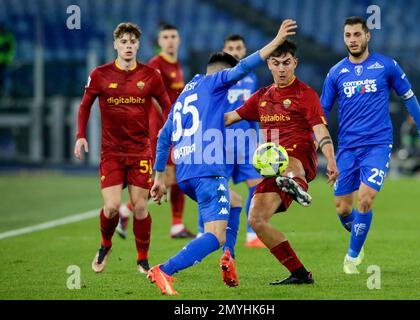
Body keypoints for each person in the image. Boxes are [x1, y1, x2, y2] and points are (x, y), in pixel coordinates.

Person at [149, 19, 299, 295]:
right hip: (208, 169)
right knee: (215, 235)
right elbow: (245, 66)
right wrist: (276, 42)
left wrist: (159, 178)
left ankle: (229, 257)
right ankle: (164, 270)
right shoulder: (216, 81)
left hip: (185, 173)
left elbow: (162, 136)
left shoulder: (185, 94)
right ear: (221, 74)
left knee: (236, 200)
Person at [320, 16, 420, 274]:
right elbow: (321, 112)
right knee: (343, 208)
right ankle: (358, 237)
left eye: (356, 34)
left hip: (377, 145)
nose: (352, 40)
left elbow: (409, 98)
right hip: (347, 149)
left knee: (366, 198)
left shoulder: (386, 66)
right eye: (348, 35)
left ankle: (352, 257)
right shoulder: (336, 72)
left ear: (367, 36)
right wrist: (316, 145)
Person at [225, 40, 338, 286]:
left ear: (295, 63)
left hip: (300, 155)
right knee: (255, 219)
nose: (282, 69)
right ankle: (299, 273)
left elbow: (320, 129)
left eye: (287, 63)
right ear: (269, 65)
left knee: (288, 160)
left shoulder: (305, 94)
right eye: (276, 63)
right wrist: (196, 119)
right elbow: (231, 117)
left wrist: (330, 158)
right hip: (271, 168)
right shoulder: (262, 97)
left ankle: (295, 183)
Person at [74, 22, 172, 274]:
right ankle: (106, 245)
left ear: (138, 45)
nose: (128, 47)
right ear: (115, 44)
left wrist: (170, 131)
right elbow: (85, 106)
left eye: (132, 42)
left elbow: (168, 105)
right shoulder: (100, 74)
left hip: (140, 151)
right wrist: (80, 135)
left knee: (140, 207)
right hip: (112, 152)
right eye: (124, 42)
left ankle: (142, 259)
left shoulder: (151, 76)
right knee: (112, 207)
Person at [116, 23, 195, 239]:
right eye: (165, 37)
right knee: (168, 177)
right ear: (159, 42)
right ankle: (126, 210)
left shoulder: (176, 64)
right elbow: (152, 96)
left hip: (176, 128)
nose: (170, 40)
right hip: (162, 130)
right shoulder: (156, 64)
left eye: (173, 36)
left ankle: (177, 224)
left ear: (178, 40)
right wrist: (171, 120)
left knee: (179, 174)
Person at [197, 34, 265, 248]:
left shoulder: (251, 78)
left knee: (257, 186)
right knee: (214, 187)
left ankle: (252, 234)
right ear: (225, 50)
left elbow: (253, 110)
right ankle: (202, 231)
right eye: (231, 48)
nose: (235, 51)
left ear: (244, 51)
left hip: (245, 143)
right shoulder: (217, 77)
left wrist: (258, 139)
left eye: (238, 47)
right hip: (219, 143)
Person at [0, 23, 16, 96]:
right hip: (3, 61)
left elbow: (11, 48)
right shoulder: (4, 37)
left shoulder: (9, 37)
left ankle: (6, 91)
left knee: (5, 77)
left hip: (5, 61)